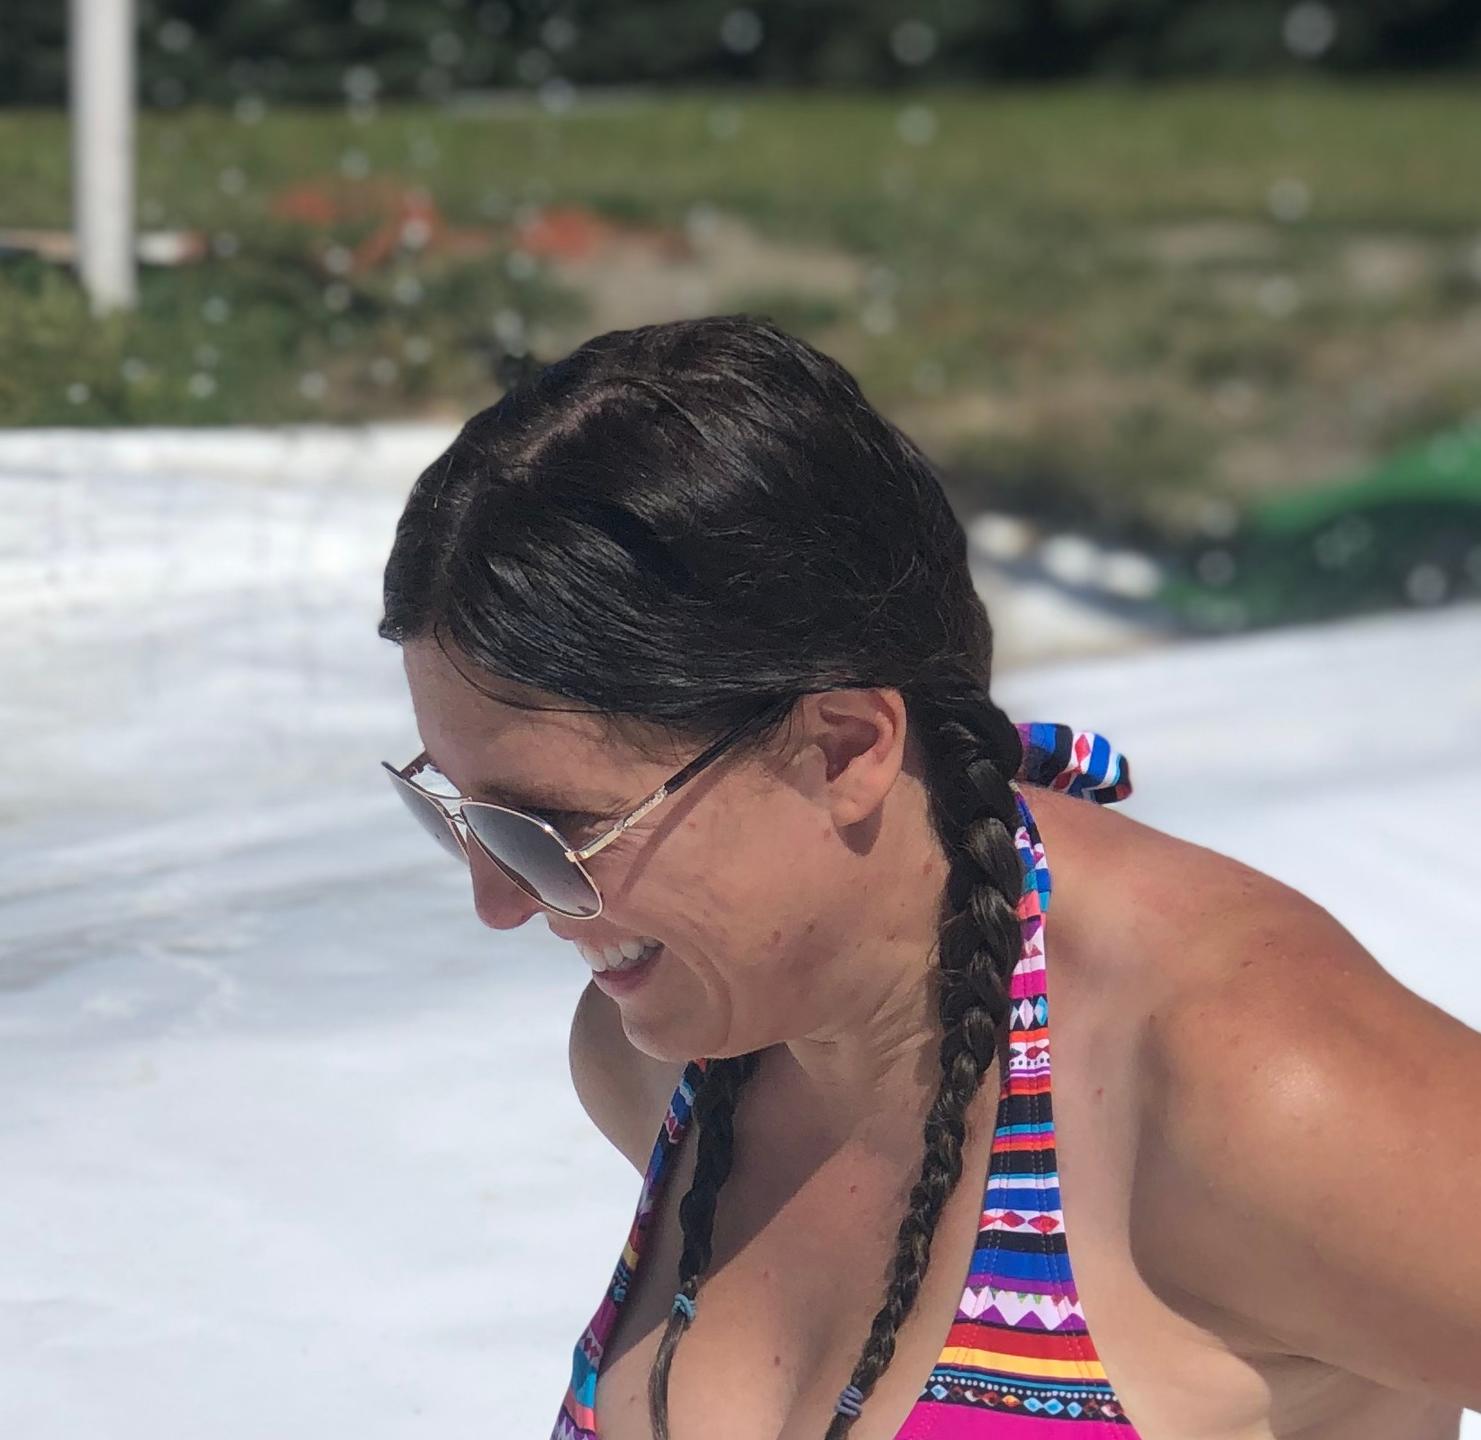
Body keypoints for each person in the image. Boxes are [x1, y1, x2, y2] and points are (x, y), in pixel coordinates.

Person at [377, 314, 1481, 1440]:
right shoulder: (661, 1059)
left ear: (845, 750)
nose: (498, 903)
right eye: (455, 813)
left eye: (553, 828)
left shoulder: (1247, 1091)